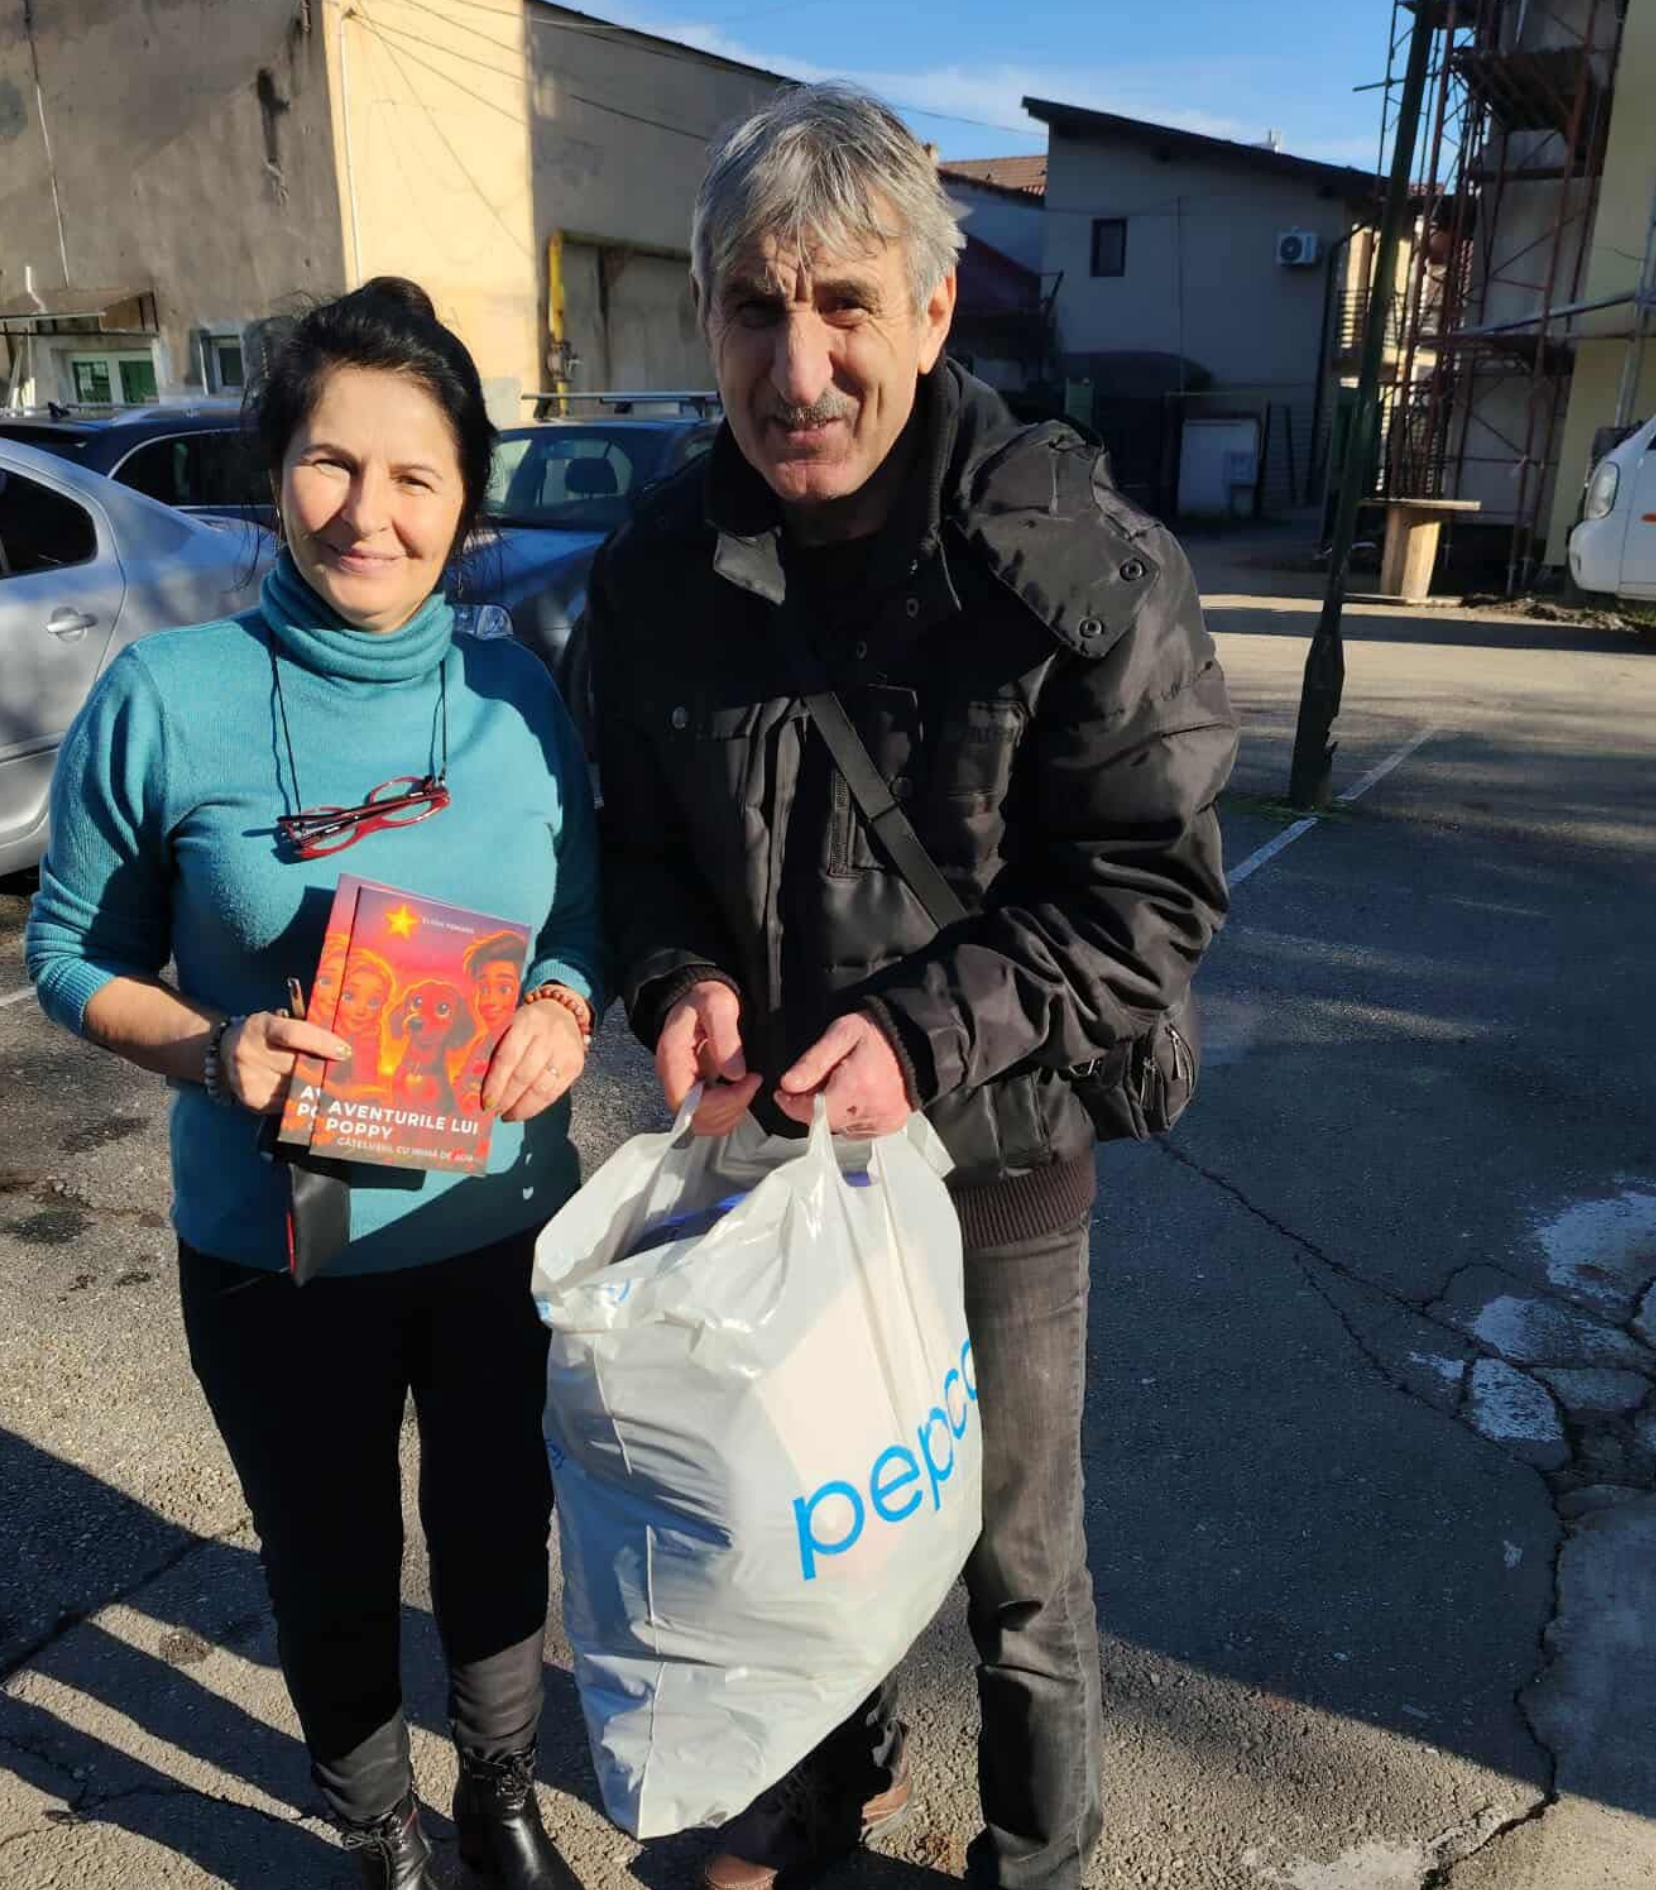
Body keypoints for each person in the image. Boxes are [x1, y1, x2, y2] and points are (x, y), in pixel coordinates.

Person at [585, 87, 1237, 1890]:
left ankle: (1038, 1859)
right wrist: (674, 972)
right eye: (753, 307)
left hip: (998, 1160)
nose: (796, 366)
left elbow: (1149, 889)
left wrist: (925, 1035)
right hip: (775, 1165)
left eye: (843, 305)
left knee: (1016, 1572)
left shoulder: (1073, 566)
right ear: (706, 315)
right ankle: (818, 1796)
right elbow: (630, 839)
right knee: (795, 1522)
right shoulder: (656, 570)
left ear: (934, 311)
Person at [26, 278, 603, 1890]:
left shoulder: (515, 698)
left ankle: (499, 1792)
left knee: (495, 1529)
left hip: (497, 1227)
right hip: (275, 1250)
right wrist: (208, 1050)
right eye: (332, 462)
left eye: (416, 475)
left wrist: (566, 1001)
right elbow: (67, 950)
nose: (369, 512)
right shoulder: (164, 698)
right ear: (276, 468)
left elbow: (581, 914)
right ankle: (378, 1829)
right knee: (329, 1557)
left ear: (464, 503)